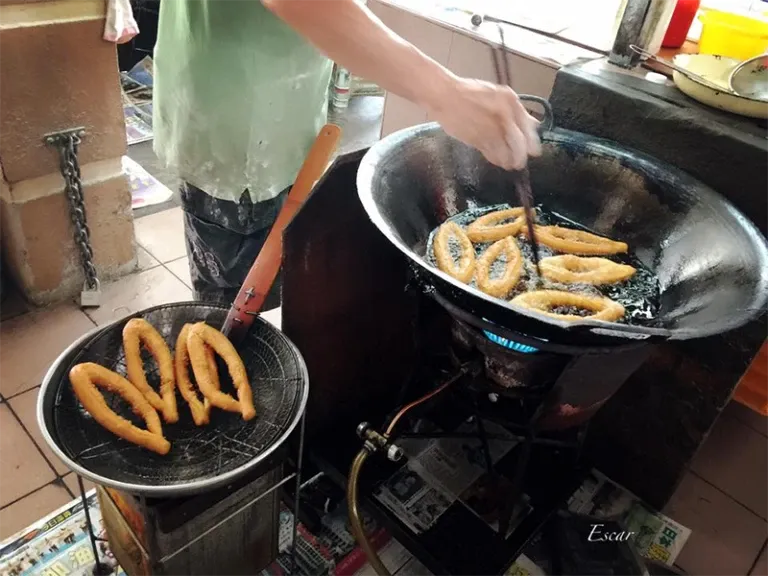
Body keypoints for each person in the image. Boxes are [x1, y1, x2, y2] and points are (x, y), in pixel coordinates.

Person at [154, 0, 540, 308]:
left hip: (288, 109)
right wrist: (445, 93)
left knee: (278, 280)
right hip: (232, 116)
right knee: (235, 309)